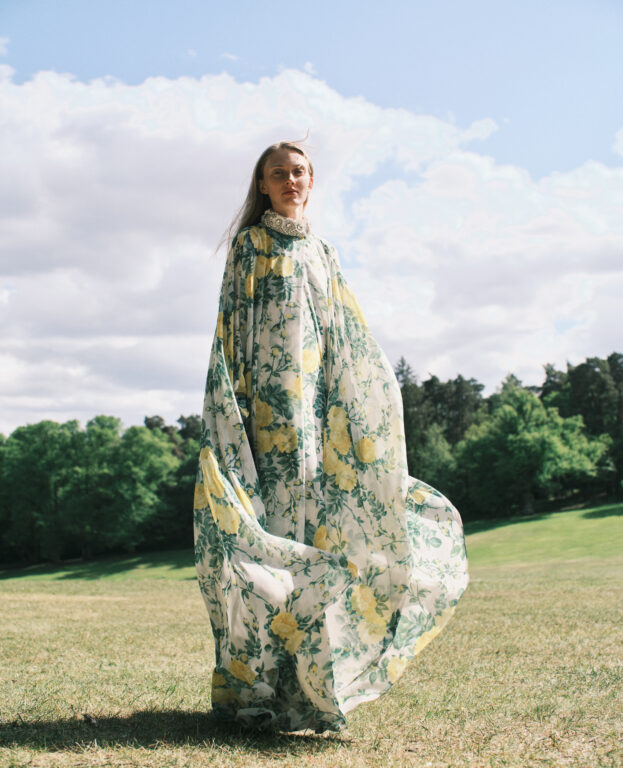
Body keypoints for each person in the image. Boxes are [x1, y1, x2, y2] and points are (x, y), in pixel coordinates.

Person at [194, 140, 468, 733]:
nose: (290, 181)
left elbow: (348, 336)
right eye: (278, 173)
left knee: (322, 535)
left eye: (299, 172)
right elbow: (231, 333)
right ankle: (259, 689)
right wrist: (235, 416)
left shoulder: (324, 252)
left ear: (311, 181)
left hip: (321, 423)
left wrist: (370, 402)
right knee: (273, 536)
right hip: (267, 422)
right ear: (262, 185)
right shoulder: (250, 246)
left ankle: (311, 690)